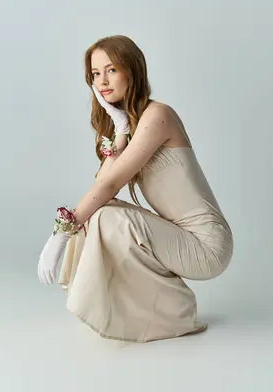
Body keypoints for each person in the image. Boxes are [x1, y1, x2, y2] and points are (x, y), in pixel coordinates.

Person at [36, 35, 233, 343]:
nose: (102, 81)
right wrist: (120, 129)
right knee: (101, 212)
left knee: (103, 216)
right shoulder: (132, 123)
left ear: (133, 70)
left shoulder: (159, 115)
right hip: (180, 234)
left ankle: (176, 309)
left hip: (208, 245)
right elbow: (104, 183)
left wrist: (60, 234)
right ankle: (133, 308)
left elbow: (110, 183)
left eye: (111, 70)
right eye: (95, 74)